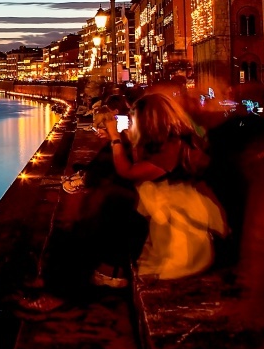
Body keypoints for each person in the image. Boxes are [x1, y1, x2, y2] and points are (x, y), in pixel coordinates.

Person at [15, 91, 227, 315]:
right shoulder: (164, 141)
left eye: (135, 118)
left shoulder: (172, 146)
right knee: (98, 208)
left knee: (103, 210)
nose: (132, 122)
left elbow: (129, 172)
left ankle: (61, 290)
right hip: (158, 208)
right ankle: (56, 277)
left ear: (150, 121)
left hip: (173, 221)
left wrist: (116, 138)